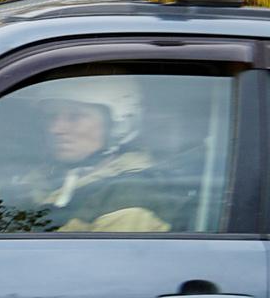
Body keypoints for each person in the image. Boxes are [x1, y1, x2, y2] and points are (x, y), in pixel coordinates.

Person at [31, 77, 177, 233]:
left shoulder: (129, 198)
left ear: (118, 126)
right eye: (51, 116)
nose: (56, 129)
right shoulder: (44, 178)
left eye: (75, 117)